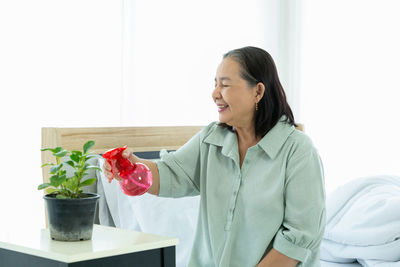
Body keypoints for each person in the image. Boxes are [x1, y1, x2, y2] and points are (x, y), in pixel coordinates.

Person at [104, 46, 326, 267]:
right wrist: (130, 167)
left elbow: (298, 240)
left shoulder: (298, 151)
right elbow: (171, 173)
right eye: (215, 84)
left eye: (225, 84)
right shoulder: (211, 139)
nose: (215, 94)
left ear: (257, 92)